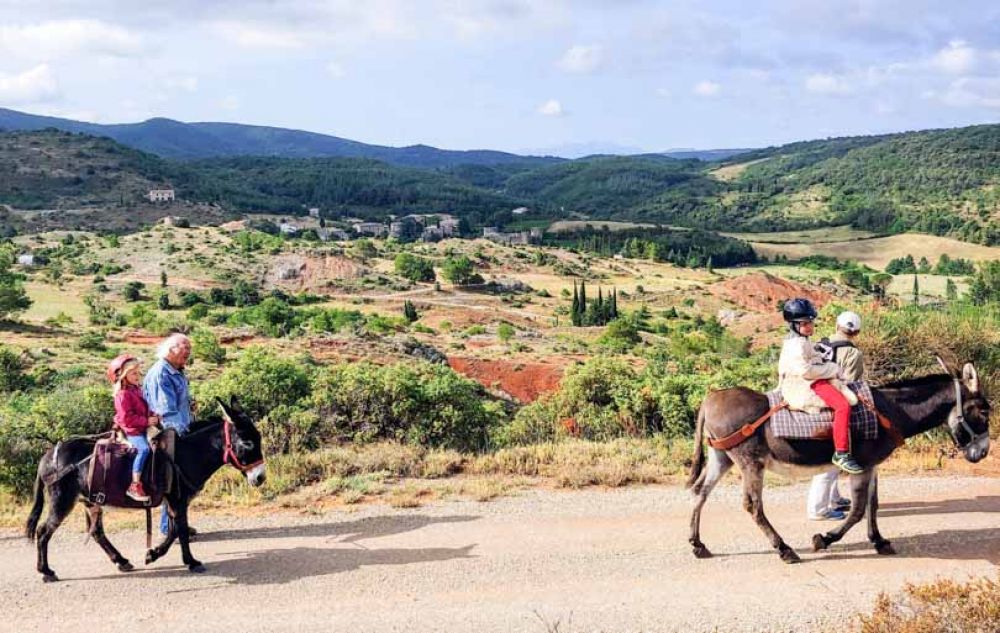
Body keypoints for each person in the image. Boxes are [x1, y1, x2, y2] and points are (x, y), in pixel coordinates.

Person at [778, 299, 863, 476]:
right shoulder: (797, 344)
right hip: (804, 384)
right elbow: (805, 370)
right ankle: (841, 452)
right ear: (793, 324)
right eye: (805, 323)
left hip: (808, 379)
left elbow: (814, 358)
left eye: (811, 322)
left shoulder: (801, 340)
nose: (810, 326)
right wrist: (832, 369)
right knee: (843, 406)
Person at [806, 311, 865, 520]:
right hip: (834, 404)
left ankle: (834, 497)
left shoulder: (822, 344)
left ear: (836, 325)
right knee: (832, 458)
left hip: (813, 398)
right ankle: (818, 508)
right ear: (856, 332)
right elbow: (851, 384)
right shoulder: (854, 354)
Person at [143, 333, 197, 536]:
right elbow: (166, 411)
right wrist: (186, 437)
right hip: (169, 432)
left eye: (189, 348)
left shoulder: (176, 371)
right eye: (184, 347)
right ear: (171, 349)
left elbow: (178, 403)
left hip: (179, 428)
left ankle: (175, 523)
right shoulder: (161, 373)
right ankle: (170, 527)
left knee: (180, 482)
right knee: (174, 481)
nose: (188, 352)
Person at [108, 354, 160, 503]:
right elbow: (127, 419)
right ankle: (135, 485)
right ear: (124, 375)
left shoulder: (136, 390)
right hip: (132, 430)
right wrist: (147, 421)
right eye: (133, 373)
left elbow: (143, 409)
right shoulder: (122, 395)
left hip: (142, 427)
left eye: (138, 372)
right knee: (144, 449)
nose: (138, 376)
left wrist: (153, 415)